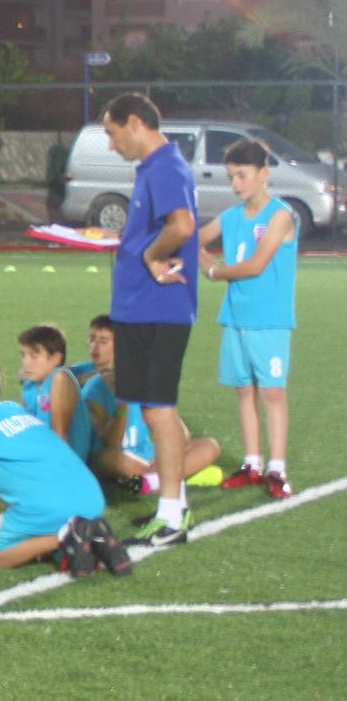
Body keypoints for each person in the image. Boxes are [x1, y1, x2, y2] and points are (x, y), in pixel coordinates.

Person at [100, 93, 199, 548]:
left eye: (111, 132)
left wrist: (150, 253)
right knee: (154, 408)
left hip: (158, 308)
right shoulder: (156, 168)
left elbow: (181, 225)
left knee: (160, 410)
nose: (109, 143)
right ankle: (172, 508)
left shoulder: (165, 167)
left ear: (135, 122)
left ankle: (173, 515)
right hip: (142, 307)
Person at [0, 350, 126, 575]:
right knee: (33, 539)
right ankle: (89, 539)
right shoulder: (16, 410)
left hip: (49, 507)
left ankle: (65, 536)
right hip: (91, 499)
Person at [200, 138, 298, 498]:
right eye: (231, 177)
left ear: (263, 174)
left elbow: (257, 266)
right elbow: (194, 239)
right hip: (236, 318)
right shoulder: (231, 216)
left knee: (272, 393)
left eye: (242, 175)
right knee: (245, 391)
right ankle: (253, 463)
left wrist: (212, 272)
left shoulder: (282, 214)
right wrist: (192, 251)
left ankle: (278, 469)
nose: (236, 184)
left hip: (270, 320)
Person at [76, 314, 223, 496]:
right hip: (123, 457)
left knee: (210, 446)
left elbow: (182, 434)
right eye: (91, 338)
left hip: (151, 456)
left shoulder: (147, 381)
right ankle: (175, 476)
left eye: (103, 340)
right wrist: (124, 404)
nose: (94, 346)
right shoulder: (95, 388)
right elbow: (109, 443)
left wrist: (163, 453)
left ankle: (153, 480)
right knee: (111, 461)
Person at [17, 324, 90, 463]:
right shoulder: (30, 385)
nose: (26, 362)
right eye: (24, 355)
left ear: (56, 358)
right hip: (41, 455)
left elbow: (60, 436)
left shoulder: (60, 379)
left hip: (61, 463)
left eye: (34, 356)